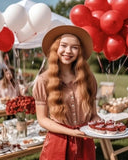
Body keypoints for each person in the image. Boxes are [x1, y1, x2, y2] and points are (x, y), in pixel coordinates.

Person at [33, 25, 101, 160]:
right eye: (63, 45)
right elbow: (42, 119)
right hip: (58, 142)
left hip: (85, 141)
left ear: (79, 51)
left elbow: (93, 115)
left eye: (74, 47)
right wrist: (71, 132)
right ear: (55, 48)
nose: (68, 51)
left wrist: (104, 127)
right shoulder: (43, 80)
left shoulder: (89, 78)